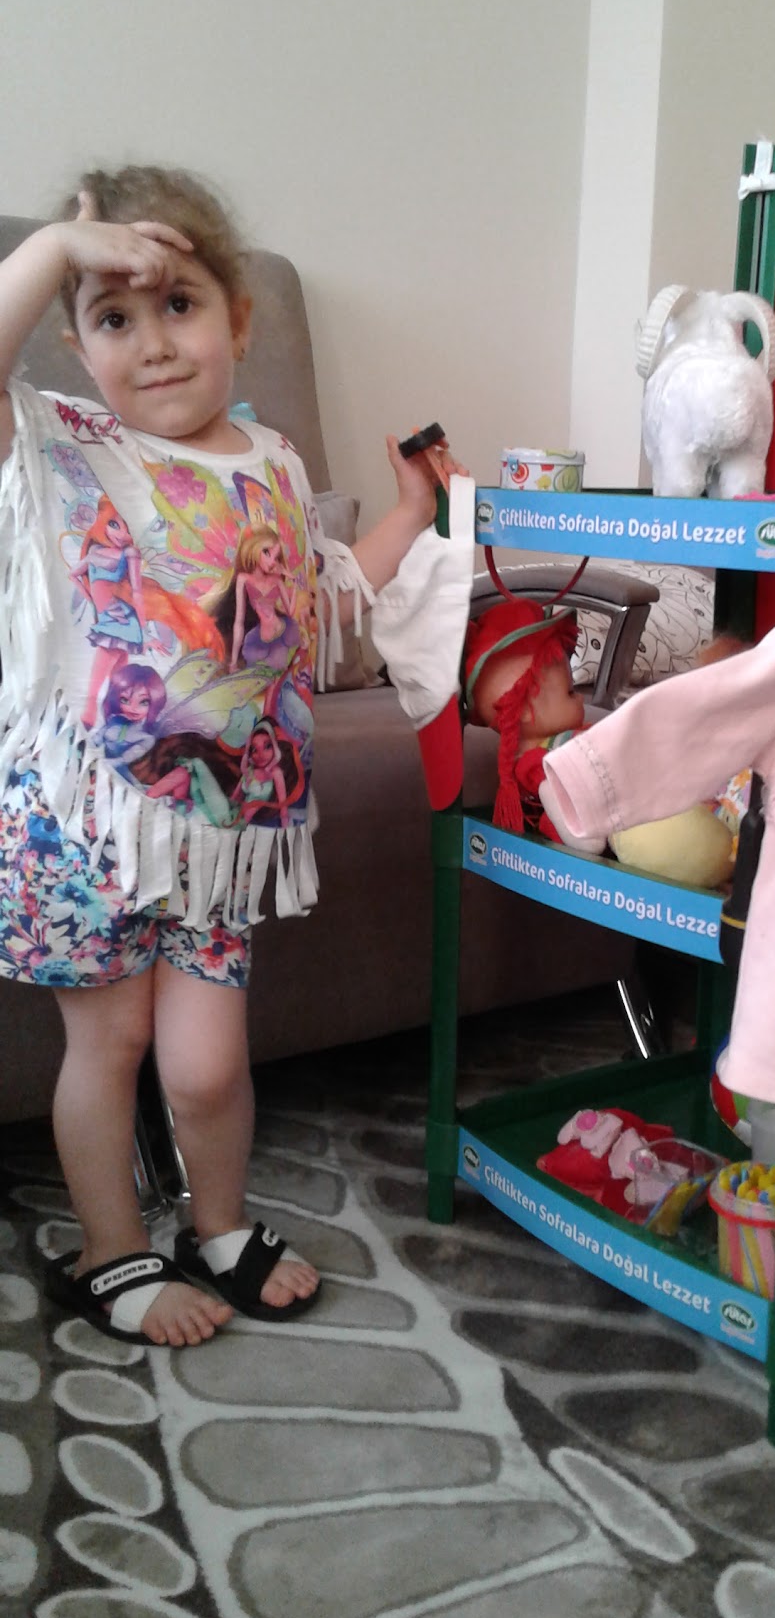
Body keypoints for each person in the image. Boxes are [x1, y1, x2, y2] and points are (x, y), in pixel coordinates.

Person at [0, 164, 461, 1347]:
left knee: (207, 1065)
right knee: (110, 1043)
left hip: (225, 826)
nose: (153, 342)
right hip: (87, 819)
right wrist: (57, 250)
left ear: (238, 320)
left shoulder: (273, 458)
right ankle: (112, 1251)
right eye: (114, 315)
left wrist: (413, 512)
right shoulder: (65, 445)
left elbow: (321, 593)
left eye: (179, 304)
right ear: (76, 343)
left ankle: (217, 1225)